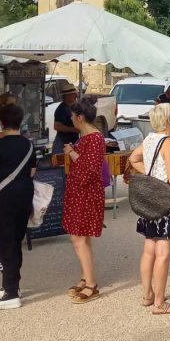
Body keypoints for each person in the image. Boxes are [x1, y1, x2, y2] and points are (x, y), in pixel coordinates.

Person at [130, 103, 170, 314]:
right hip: (166, 198)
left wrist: (150, 174)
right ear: (168, 121)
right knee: (163, 253)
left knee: (149, 249)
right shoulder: (169, 144)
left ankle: (147, 294)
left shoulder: (149, 139)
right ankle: (160, 302)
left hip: (149, 198)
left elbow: (133, 158)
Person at [0, 105, 36, 310]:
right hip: (24, 195)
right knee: (15, 240)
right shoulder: (28, 145)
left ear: (1, 123)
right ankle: (11, 285)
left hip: (3, 198)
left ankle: (11, 293)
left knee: (5, 243)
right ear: (21, 122)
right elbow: (32, 171)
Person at [62, 100, 107, 304]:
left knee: (79, 237)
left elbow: (88, 170)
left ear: (79, 117)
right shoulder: (88, 137)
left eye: (73, 116)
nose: (71, 119)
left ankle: (91, 284)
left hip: (86, 192)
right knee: (80, 237)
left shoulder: (95, 138)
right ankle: (85, 277)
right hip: (80, 191)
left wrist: (71, 152)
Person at [52, 81, 80, 153]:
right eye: (70, 94)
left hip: (74, 141)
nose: (73, 95)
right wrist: (74, 129)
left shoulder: (77, 106)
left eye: (74, 94)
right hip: (62, 142)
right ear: (65, 96)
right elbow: (57, 126)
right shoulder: (61, 109)